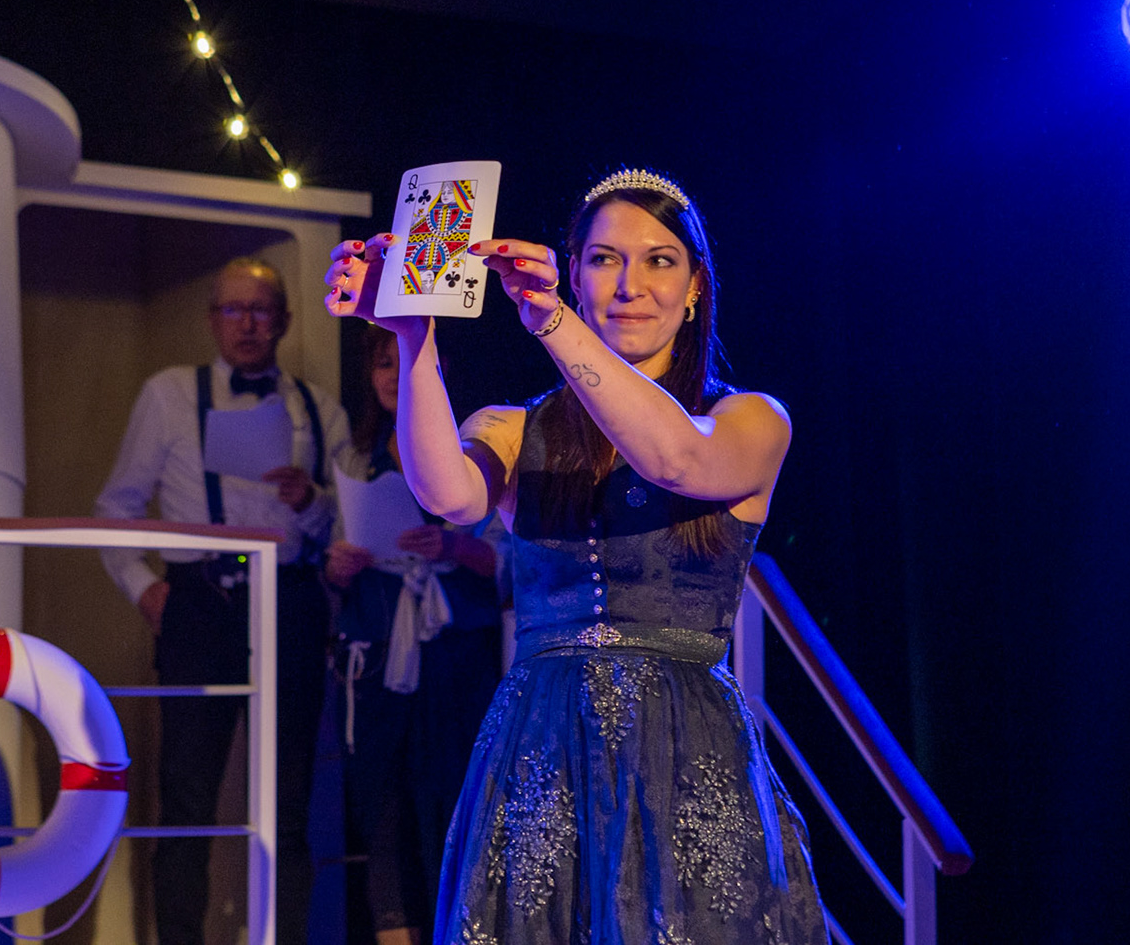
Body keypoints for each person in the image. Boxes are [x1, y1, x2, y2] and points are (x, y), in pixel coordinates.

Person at [323, 168, 829, 945]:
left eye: (659, 261)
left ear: (695, 286)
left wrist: (552, 321)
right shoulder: (514, 427)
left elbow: (675, 460)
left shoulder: (752, 419)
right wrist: (412, 334)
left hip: (684, 746)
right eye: (604, 260)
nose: (630, 285)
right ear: (575, 270)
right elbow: (447, 495)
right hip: (543, 742)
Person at [97, 255, 350, 945]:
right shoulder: (169, 394)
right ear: (212, 319)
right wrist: (144, 586)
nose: (246, 324)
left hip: (289, 601)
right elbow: (117, 505)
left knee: (289, 799)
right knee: (186, 797)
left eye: (260, 309)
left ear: (284, 321)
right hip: (200, 602)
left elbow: (349, 531)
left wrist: (311, 501)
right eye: (232, 309)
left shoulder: (319, 409)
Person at [325, 326, 505, 945]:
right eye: (381, 364)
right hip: (376, 651)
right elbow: (332, 555)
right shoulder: (354, 459)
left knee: (453, 800)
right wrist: (338, 564)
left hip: (455, 654)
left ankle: (458, 930)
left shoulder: (479, 454)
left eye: (401, 361)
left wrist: (454, 546)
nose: (391, 377)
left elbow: (511, 562)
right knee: (381, 806)